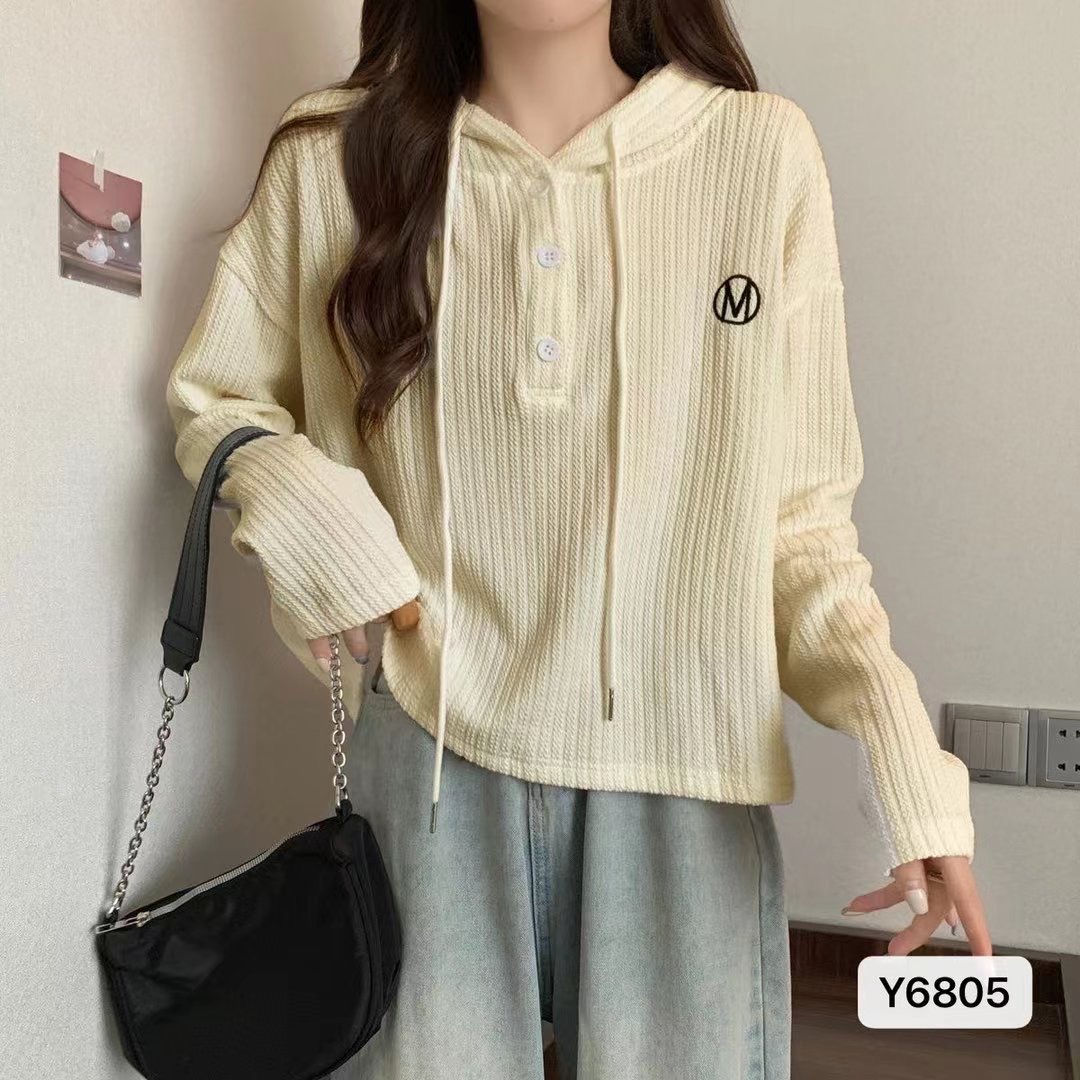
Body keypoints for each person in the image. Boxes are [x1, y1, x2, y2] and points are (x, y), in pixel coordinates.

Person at [165, 1, 990, 1076]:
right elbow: (217, 400)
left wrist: (903, 757)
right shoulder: (333, 156)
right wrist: (316, 516)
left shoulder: (758, 154)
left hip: (685, 775)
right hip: (431, 755)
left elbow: (799, 525)